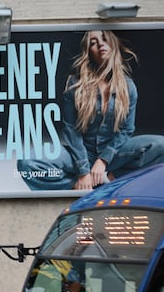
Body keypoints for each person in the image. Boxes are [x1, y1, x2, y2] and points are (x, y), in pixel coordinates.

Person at [17, 30, 164, 190]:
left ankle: (113, 179)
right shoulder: (75, 84)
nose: (100, 43)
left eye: (105, 39)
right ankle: (78, 186)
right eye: (93, 42)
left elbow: (126, 130)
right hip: (80, 153)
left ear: (113, 45)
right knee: (27, 162)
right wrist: (83, 171)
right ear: (89, 52)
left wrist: (103, 161)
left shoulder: (128, 87)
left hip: (116, 154)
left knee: (161, 146)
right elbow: (71, 130)